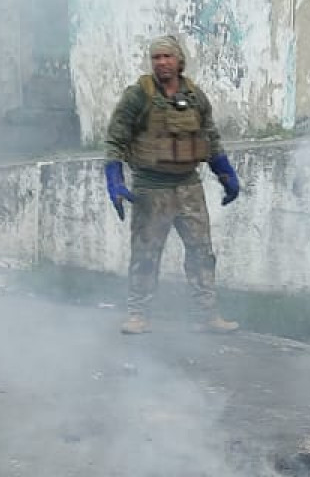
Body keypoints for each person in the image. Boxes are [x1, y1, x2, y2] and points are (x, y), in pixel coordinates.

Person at [102, 35, 242, 335]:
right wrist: (114, 179)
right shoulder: (138, 95)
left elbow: (210, 135)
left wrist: (226, 174)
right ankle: (138, 313)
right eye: (156, 58)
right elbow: (115, 139)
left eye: (167, 57)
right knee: (146, 254)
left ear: (179, 60)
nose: (161, 63)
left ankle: (207, 314)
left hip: (189, 186)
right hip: (151, 188)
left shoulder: (194, 96)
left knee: (201, 252)